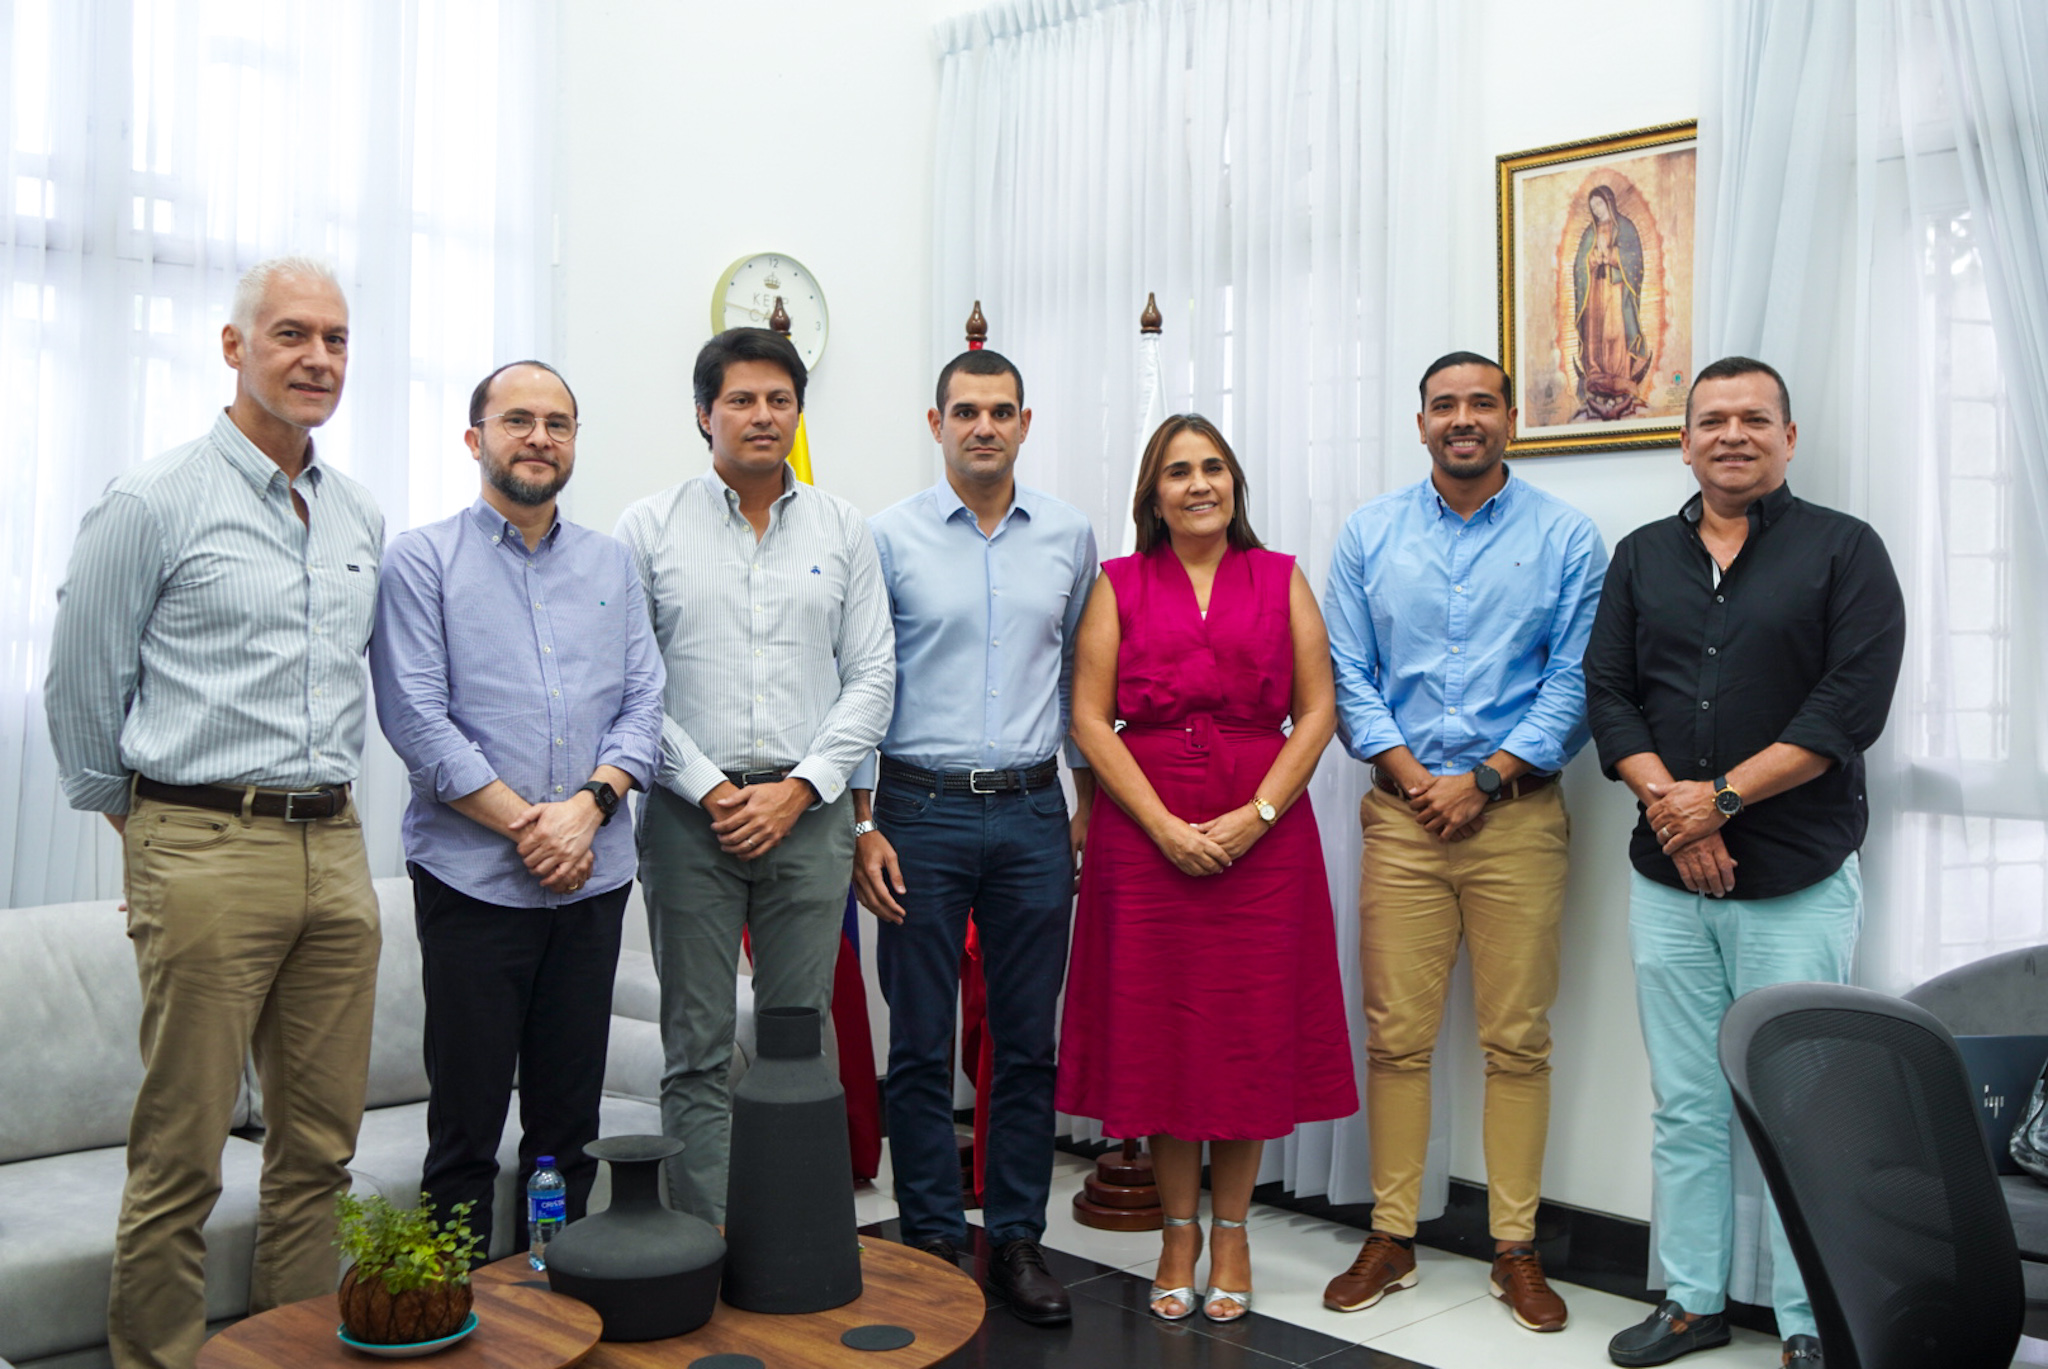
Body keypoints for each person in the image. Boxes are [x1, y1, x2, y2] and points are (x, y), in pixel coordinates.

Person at [45, 256, 384, 1369]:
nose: (317, 358)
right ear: (234, 348)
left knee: (317, 1153)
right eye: (291, 334)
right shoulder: (154, 499)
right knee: (182, 1152)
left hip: (334, 850)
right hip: (201, 841)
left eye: (334, 339)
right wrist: (151, 831)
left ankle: (288, 1357)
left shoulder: (356, 514)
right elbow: (81, 693)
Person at [1586, 357, 1905, 1369]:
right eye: (1711, 419)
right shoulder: (1639, 557)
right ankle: (1689, 1300)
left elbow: (1846, 707)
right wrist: (1676, 814)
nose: (1731, 433)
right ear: (1681, 441)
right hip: (1665, 882)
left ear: (1788, 436)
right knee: (1685, 1101)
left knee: (1802, 1111)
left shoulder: (1844, 551)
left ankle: (1811, 1322)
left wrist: (1715, 798)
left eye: (1753, 418)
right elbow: (1608, 695)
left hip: (1797, 879)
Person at [1319, 352, 1606, 1333]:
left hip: (1515, 819)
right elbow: (1347, 671)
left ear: (1508, 420)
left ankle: (1512, 1248)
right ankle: (1391, 1233)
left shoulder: (1567, 538)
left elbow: (1574, 680)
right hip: (1400, 820)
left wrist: (1481, 779)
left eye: (1480, 402)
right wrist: (1415, 781)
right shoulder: (1368, 533)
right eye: (1443, 404)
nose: (1462, 418)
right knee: (1394, 1037)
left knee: (1514, 1040)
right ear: (1420, 424)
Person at [1056, 414, 1356, 1325]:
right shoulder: (1116, 585)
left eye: (1213, 468)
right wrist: (1160, 825)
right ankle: (1176, 1231)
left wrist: (1255, 815)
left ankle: (1234, 1229)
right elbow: (1087, 718)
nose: (1198, 484)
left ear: (1235, 485)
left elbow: (1318, 712)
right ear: (1153, 492)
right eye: (1178, 471)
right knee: (1161, 1042)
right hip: (1142, 845)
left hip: (1262, 844)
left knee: (1245, 1038)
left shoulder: (1282, 578)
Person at [369, 360, 663, 1257]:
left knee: (567, 1124)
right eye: (518, 420)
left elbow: (645, 702)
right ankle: (450, 1311)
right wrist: (534, 827)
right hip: (474, 883)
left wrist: (589, 809)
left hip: (593, 879)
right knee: (464, 1124)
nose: (540, 437)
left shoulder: (612, 563)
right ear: (475, 439)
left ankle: (552, 1289)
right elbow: (416, 716)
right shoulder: (421, 560)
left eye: (559, 423)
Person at [615, 328, 894, 1226]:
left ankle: (792, 1238)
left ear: (798, 414)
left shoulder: (845, 528)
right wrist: (709, 789)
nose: (762, 415)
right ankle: (706, 1242)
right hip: (687, 819)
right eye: (741, 399)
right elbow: (628, 685)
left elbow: (873, 675)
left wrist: (802, 789)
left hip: (804, 816)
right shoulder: (647, 528)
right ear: (705, 415)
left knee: (797, 1037)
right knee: (694, 1047)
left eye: (779, 400)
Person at [851, 349, 1097, 1324]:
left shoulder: (1068, 536)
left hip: (1034, 813)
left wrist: (1079, 801)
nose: (982, 426)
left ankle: (1018, 1240)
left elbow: (1083, 673)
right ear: (935, 421)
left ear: (1024, 423)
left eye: (1000, 411)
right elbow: (863, 679)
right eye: (965, 411)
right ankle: (932, 1242)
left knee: (1026, 1044)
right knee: (917, 1042)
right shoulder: (886, 538)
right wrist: (863, 818)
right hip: (918, 812)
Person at [1572, 184, 1652, 422]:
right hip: (1595, 291)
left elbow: (1635, 260)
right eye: (1593, 206)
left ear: (1609, 202)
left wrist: (1614, 257)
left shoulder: (1625, 228)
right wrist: (1592, 260)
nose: (1597, 210)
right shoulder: (1590, 233)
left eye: (1599, 204)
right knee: (1594, 333)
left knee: (1615, 332)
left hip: (1617, 290)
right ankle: (1595, 375)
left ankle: (1620, 377)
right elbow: (1579, 265)